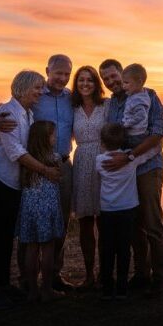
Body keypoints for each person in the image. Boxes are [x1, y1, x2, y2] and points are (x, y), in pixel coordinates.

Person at [0, 54, 75, 292]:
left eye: (67, 73)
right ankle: (26, 281)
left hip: (63, 165)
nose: (63, 78)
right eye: (58, 73)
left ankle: (53, 276)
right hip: (33, 167)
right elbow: (7, 108)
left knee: (60, 222)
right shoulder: (35, 95)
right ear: (48, 71)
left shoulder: (72, 98)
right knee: (28, 224)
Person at [0, 70, 59, 310]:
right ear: (23, 87)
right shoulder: (8, 112)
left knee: (6, 236)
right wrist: (46, 171)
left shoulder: (28, 114)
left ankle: (3, 285)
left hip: (13, 182)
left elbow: (32, 146)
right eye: (37, 87)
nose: (41, 92)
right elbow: (15, 152)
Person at [98, 59, 163, 297]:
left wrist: (129, 157)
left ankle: (159, 278)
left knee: (152, 224)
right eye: (105, 79)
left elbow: (159, 133)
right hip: (124, 172)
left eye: (113, 76)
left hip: (147, 166)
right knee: (133, 227)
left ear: (122, 73)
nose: (110, 81)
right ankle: (141, 275)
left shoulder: (148, 95)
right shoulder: (110, 105)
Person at [70, 65, 109, 290]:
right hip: (82, 159)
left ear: (96, 84)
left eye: (90, 80)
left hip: (103, 161)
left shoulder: (107, 106)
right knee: (85, 221)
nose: (85, 84)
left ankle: (105, 273)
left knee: (104, 220)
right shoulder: (71, 107)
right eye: (81, 80)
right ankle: (89, 274)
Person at [17, 120, 65, 303]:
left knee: (31, 248)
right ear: (45, 139)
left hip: (30, 208)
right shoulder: (54, 159)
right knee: (48, 248)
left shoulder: (27, 160)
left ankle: (32, 291)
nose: (55, 138)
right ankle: (46, 290)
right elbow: (58, 178)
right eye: (53, 135)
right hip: (47, 208)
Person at [95, 123, 138, 300]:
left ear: (102, 143)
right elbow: (148, 152)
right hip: (127, 209)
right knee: (124, 249)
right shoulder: (131, 160)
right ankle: (122, 287)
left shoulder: (99, 160)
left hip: (107, 210)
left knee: (107, 248)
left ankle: (106, 287)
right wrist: (129, 154)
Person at [121, 63, 150, 142]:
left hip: (136, 134)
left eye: (126, 83)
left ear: (139, 82)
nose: (123, 86)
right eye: (123, 83)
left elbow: (141, 115)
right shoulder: (137, 95)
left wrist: (127, 124)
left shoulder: (138, 100)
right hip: (135, 132)